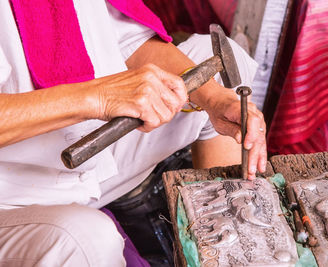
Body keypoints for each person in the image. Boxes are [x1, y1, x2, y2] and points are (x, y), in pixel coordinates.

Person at [0, 0, 266, 266]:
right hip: (12, 194)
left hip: (88, 155)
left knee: (217, 64)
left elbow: (129, 39)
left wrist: (214, 99)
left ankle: (227, 246)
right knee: (86, 241)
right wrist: (100, 98)